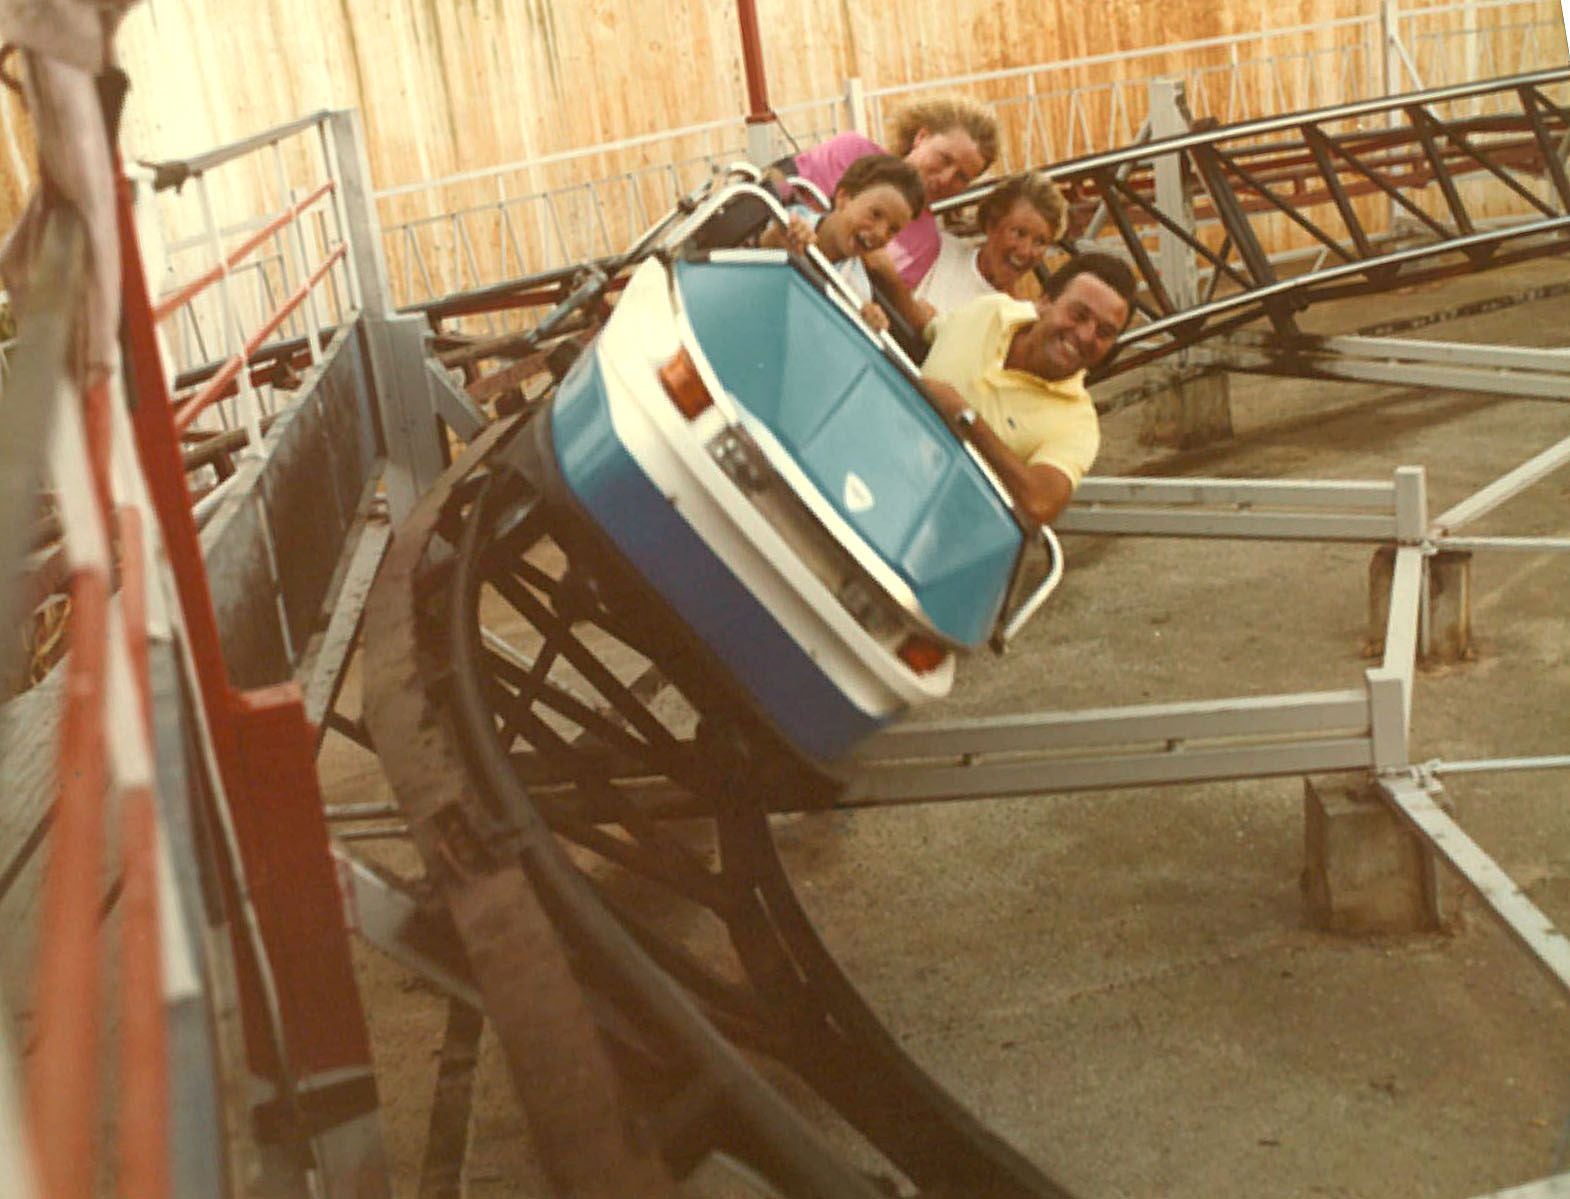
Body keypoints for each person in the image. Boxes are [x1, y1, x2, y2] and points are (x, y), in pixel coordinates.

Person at [919, 252, 1137, 528]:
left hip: (934, 527)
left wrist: (967, 419)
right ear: (1045, 301)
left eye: (1104, 332)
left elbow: (1039, 504)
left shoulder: (1078, 425)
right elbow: (925, 327)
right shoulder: (990, 310)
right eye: (1079, 315)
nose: (1085, 335)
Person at [767, 95, 998, 289]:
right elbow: (775, 186)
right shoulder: (851, 151)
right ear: (921, 137)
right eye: (944, 158)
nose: (945, 178)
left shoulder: (926, 243)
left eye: (961, 177)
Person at [760, 153, 924, 333]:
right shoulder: (789, 219)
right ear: (843, 198)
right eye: (875, 214)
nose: (880, 233)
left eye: (892, 230)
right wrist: (775, 241)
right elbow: (763, 247)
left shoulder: (856, 290)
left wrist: (868, 326)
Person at [913, 172, 1068, 320]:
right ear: (992, 224)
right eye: (1019, 233)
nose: (1025, 251)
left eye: (1040, 242)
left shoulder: (1018, 318)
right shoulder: (940, 250)